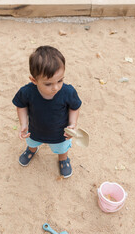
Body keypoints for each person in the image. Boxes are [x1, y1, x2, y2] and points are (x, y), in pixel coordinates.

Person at [12, 46, 82, 178]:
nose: (55, 87)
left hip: (60, 133)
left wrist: (73, 123)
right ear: (34, 80)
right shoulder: (27, 92)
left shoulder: (68, 92)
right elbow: (20, 105)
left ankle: (63, 159)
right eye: (48, 84)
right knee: (32, 142)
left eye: (60, 80)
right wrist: (23, 123)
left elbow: (75, 107)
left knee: (62, 148)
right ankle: (32, 150)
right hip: (34, 130)